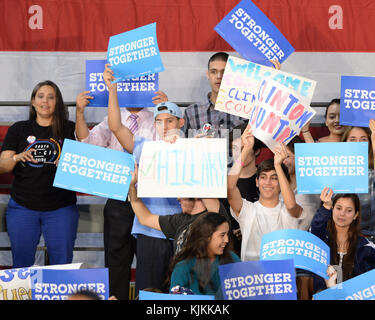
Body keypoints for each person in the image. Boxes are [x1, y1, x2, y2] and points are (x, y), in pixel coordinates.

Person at [75, 87, 167, 300]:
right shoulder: (111, 118)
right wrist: (80, 113)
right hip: (119, 197)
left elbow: (172, 147)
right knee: (116, 264)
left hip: (152, 201)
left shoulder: (159, 116)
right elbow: (87, 143)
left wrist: (166, 112)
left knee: (151, 267)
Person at [104, 64, 182, 295]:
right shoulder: (144, 148)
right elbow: (116, 126)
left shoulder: (194, 150)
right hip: (151, 231)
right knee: (149, 291)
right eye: (159, 121)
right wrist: (112, 91)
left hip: (183, 230)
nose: (165, 126)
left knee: (179, 291)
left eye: (170, 120)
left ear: (181, 123)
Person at [0, 80, 78, 268]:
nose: (45, 101)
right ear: (33, 102)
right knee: (22, 266)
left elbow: (82, 169)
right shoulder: (19, 129)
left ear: (57, 103)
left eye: (51, 97)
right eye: (40, 96)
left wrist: (69, 165)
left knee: (62, 266)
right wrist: (17, 157)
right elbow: (3, 166)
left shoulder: (69, 128)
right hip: (23, 208)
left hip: (61, 208)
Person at [227, 125, 305, 261]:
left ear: (282, 183)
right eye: (263, 177)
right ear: (257, 182)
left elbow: (292, 206)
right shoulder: (248, 210)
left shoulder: (289, 210)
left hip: (281, 278)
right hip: (252, 277)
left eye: (274, 178)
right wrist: (246, 150)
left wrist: (277, 166)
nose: (268, 182)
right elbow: (230, 188)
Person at [128, 162, 227, 254]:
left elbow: (205, 188)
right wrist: (132, 187)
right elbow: (145, 218)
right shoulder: (180, 220)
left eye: (181, 191)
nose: (177, 198)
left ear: (196, 193)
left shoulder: (214, 218)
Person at [311, 188, 375, 293]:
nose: (342, 214)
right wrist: (326, 206)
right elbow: (316, 228)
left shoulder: (367, 248)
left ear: (355, 215)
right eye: (338, 208)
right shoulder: (321, 240)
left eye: (349, 210)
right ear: (332, 209)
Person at [167, 212, 240, 299]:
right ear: (206, 236)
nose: (227, 240)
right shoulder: (182, 268)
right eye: (222, 235)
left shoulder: (232, 258)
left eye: (227, 235)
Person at [221, 123, 264, 255]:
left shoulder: (267, 181)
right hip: (229, 251)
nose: (238, 153)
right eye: (234, 148)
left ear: (256, 151)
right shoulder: (223, 182)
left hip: (260, 249)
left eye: (244, 148)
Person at [182, 52, 246, 138]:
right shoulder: (192, 112)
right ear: (208, 75)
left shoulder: (245, 110)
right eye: (213, 72)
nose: (219, 76)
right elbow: (184, 147)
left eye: (224, 72)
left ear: (233, 75)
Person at [341, 122, 375, 240]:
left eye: (363, 139)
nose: (358, 144)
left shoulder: (371, 172)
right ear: (345, 143)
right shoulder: (336, 171)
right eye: (352, 139)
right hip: (342, 240)